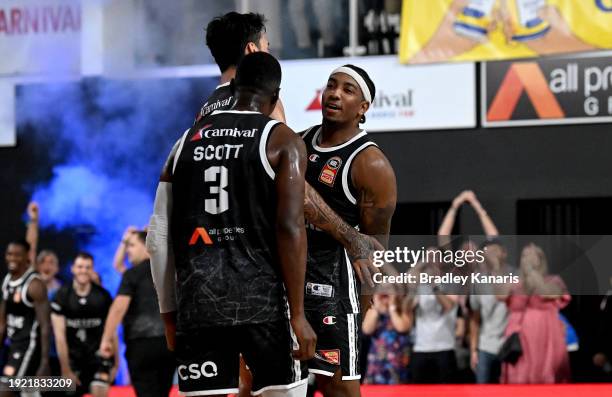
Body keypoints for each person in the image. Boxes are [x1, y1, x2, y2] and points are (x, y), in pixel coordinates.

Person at [147, 51, 316, 396]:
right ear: (275, 96)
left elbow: (157, 237)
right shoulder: (282, 140)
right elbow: (291, 228)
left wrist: (169, 316)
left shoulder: (184, 143)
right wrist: (298, 314)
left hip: (199, 308)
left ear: (234, 86)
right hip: (264, 306)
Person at [299, 64, 397, 396]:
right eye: (331, 85)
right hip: (288, 279)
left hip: (335, 290)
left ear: (363, 108)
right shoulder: (298, 142)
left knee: (337, 387)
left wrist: (364, 305)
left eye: (347, 90)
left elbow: (374, 250)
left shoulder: (371, 164)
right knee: (263, 384)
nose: (335, 94)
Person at [99, 231, 174, 397]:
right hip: (168, 343)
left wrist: (106, 339)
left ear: (146, 246)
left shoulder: (132, 274)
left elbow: (118, 308)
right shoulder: (169, 270)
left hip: (141, 344)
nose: (128, 251)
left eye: (132, 246)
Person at [500, 243, 571, 384]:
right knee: (521, 372)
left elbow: (548, 293)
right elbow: (500, 295)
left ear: (541, 259)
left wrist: (532, 273)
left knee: (547, 371)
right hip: (519, 334)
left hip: (547, 333)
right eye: (524, 255)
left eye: (532, 255)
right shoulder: (514, 282)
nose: (527, 259)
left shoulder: (553, 280)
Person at [51, 252, 116, 397]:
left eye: (88, 267)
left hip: (97, 359)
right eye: (80, 267)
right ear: (73, 268)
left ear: (92, 270)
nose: (83, 271)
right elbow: (59, 336)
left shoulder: (103, 296)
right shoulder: (61, 296)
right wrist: (66, 369)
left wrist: (116, 364)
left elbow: (112, 331)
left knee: (99, 388)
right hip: (72, 360)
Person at [0, 240, 51, 395]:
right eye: (9, 254)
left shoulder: (34, 285)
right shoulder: (7, 281)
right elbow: (2, 321)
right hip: (13, 344)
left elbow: (45, 326)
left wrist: (44, 361)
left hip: (29, 347)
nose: (12, 258)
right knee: (29, 392)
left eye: (17, 255)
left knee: (5, 389)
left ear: (27, 256)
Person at [469, 240, 510, 383]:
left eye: (494, 251)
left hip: (509, 345)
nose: (491, 255)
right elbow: (475, 318)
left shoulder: (516, 276)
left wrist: (497, 270)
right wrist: (473, 350)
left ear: (504, 253)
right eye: (487, 253)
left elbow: (503, 295)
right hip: (485, 346)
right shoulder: (478, 282)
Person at [362, 293, 411, 384]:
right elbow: (366, 330)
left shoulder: (402, 309)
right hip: (377, 361)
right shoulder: (372, 310)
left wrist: (392, 307)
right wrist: (377, 307)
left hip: (397, 361)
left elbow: (402, 327)